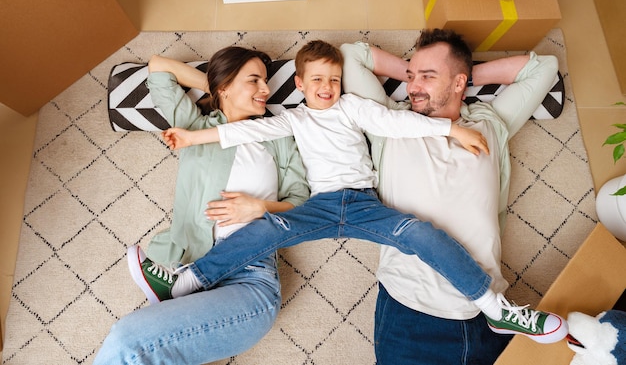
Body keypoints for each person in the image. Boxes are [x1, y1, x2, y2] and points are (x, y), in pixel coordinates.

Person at [128, 39, 568, 344]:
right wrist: (190, 139)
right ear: (299, 85)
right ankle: (186, 282)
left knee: (421, 233)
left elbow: (396, 122)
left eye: (333, 80)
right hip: (319, 206)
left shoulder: (354, 107)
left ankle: (494, 306)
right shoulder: (292, 120)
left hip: (363, 203)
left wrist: (449, 127)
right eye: (317, 81)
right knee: (264, 229)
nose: (327, 89)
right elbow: (240, 134)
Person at [339, 29, 562, 364]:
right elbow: (350, 55)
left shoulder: (491, 123)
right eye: (411, 76)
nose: (413, 87)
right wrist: (419, 73)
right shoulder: (391, 124)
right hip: (410, 309)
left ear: (460, 83)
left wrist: (469, 72)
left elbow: (544, 67)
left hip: (486, 311)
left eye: (428, 76)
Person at [93, 46, 310, 365]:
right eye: (254, 80)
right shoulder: (197, 128)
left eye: (265, 81)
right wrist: (216, 85)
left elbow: (302, 206)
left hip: (250, 278)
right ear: (224, 86)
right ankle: (182, 284)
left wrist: (258, 208)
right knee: (131, 345)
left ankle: (180, 287)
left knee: (127, 341)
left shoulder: (277, 137)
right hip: (186, 261)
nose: (266, 90)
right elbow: (159, 68)